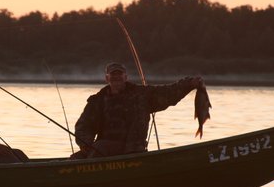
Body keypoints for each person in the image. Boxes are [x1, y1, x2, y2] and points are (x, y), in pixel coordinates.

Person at [71, 62, 203, 159]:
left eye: (119, 74)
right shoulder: (97, 101)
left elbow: (169, 93)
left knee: (100, 147)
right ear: (107, 78)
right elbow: (83, 126)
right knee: (75, 159)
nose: (116, 77)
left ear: (126, 77)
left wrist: (189, 83)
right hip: (103, 150)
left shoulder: (142, 95)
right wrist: (86, 144)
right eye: (113, 75)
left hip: (132, 149)